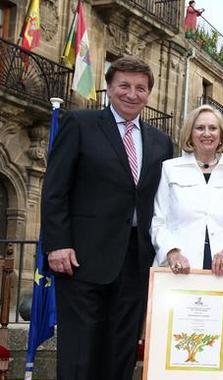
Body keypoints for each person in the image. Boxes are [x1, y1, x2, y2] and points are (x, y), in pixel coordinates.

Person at [41, 56, 173, 380]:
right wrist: (58, 244)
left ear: (148, 94)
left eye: (140, 88)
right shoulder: (79, 123)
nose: (132, 94)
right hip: (81, 258)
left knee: (121, 349)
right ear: (110, 88)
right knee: (79, 351)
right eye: (124, 86)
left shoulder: (160, 142)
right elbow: (55, 189)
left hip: (135, 260)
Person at [151, 105, 223, 277]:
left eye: (213, 128)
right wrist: (172, 252)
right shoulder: (169, 169)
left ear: (221, 135)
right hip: (177, 270)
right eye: (200, 128)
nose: (207, 133)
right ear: (190, 134)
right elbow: (158, 220)